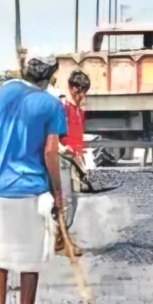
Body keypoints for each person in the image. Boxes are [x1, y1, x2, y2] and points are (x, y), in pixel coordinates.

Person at [0, 56, 67, 304]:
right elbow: (51, 152)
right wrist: (59, 193)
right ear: (50, 76)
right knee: (30, 260)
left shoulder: (4, 92)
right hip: (32, 190)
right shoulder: (52, 105)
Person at [58, 70, 91, 245]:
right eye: (79, 91)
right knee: (66, 199)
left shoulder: (79, 111)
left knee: (74, 199)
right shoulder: (62, 107)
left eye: (84, 91)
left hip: (75, 159)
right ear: (71, 88)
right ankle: (61, 239)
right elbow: (52, 133)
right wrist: (63, 149)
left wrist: (81, 159)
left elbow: (78, 136)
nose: (81, 95)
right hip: (62, 158)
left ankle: (62, 235)